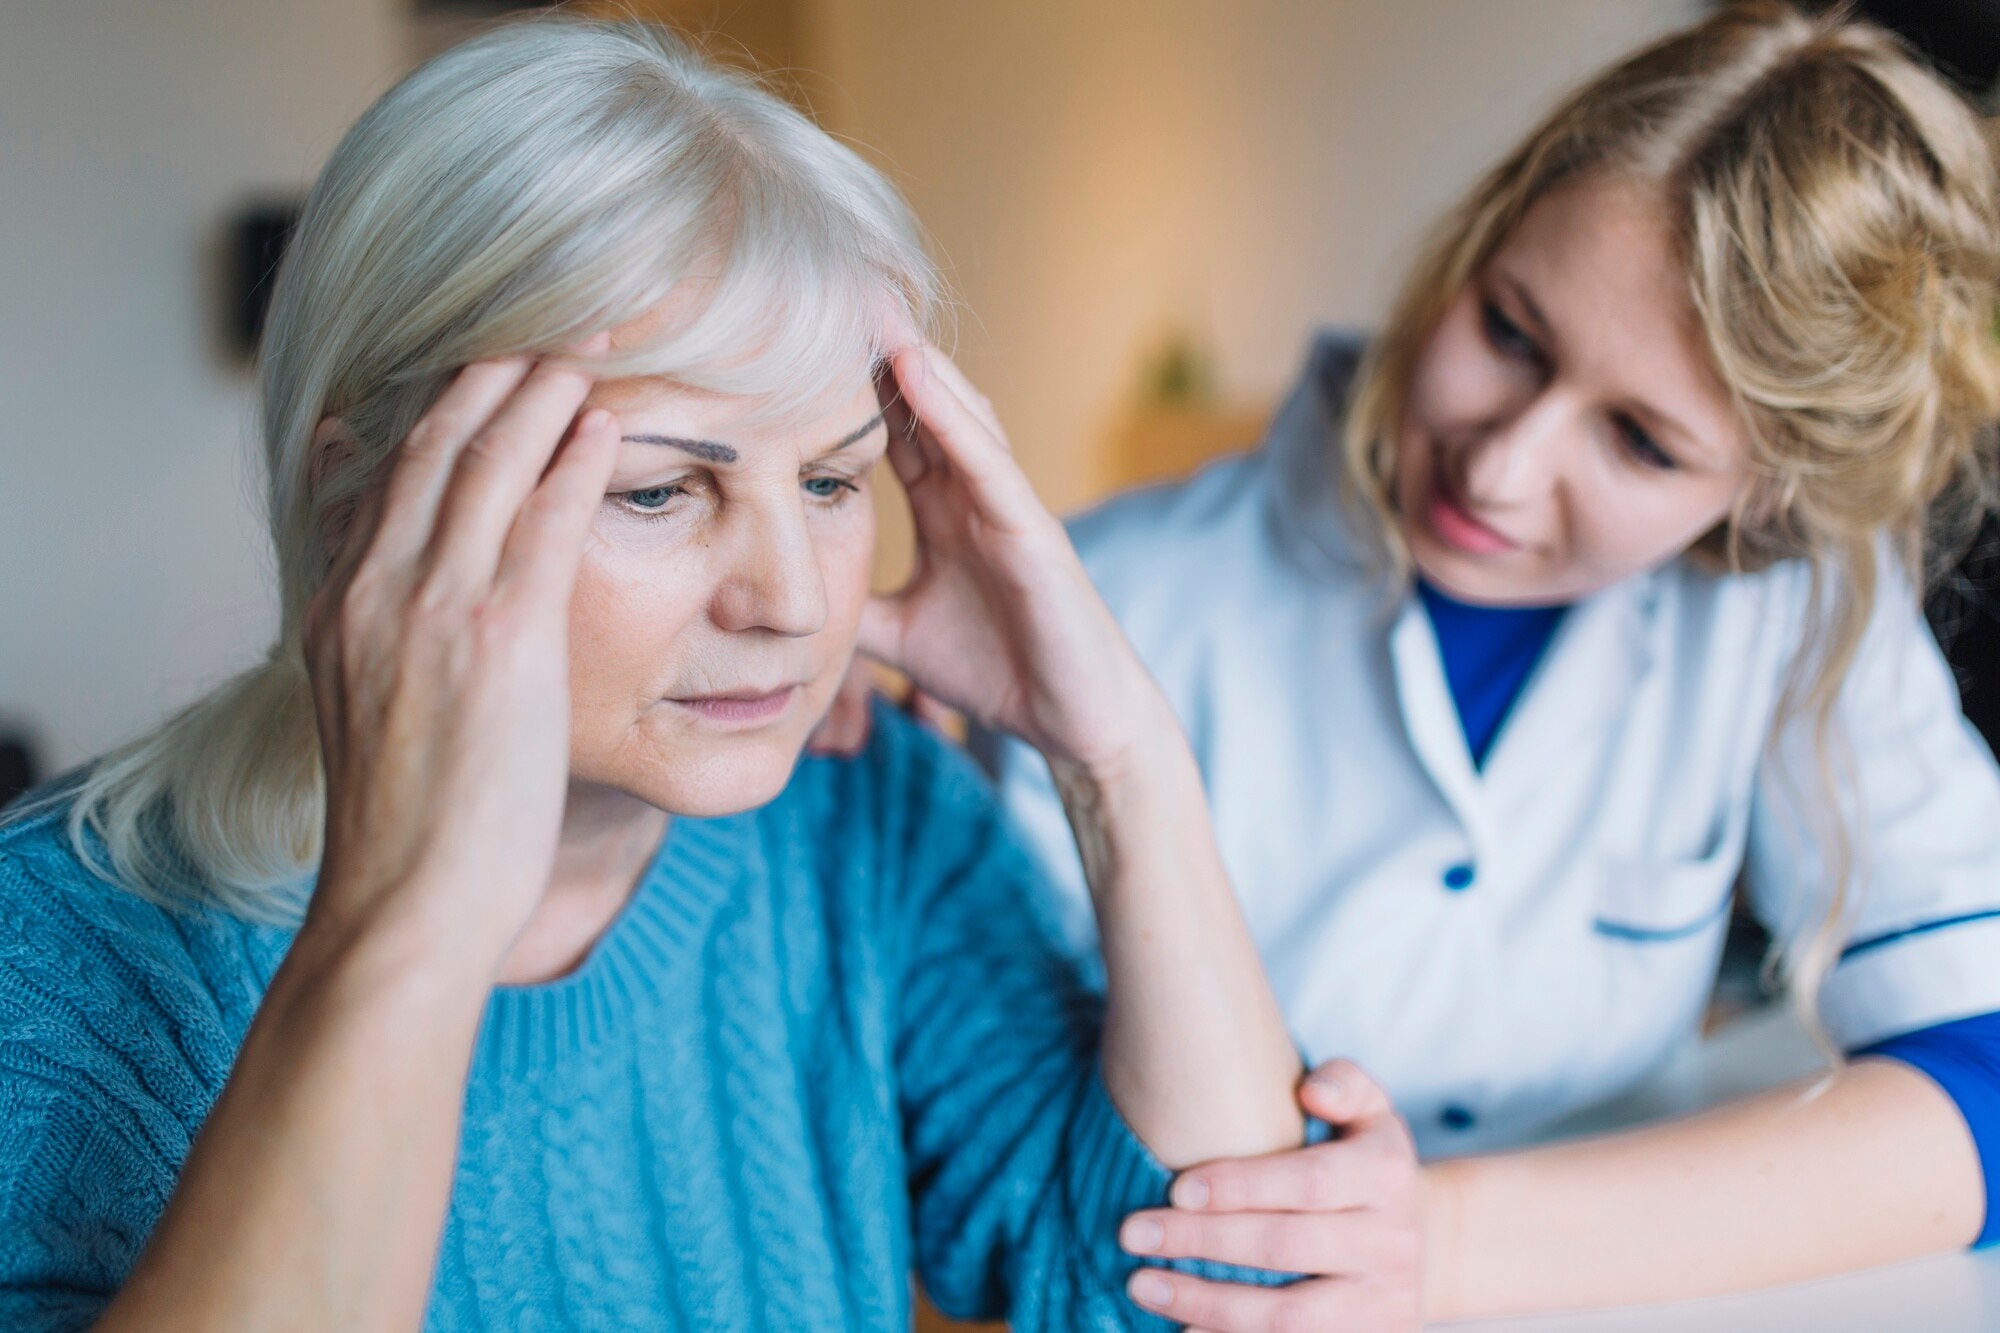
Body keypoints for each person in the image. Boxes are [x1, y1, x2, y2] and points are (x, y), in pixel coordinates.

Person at [0, 18, 1310, 1330]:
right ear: (357, 501)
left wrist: (1120, 758)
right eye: (661, 489)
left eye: (833, 479)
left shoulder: (863, 822)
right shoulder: (50, 954)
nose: (792, 602)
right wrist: (415, 913)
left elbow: (1217, 1293)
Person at [954, 3, 2000, 1325]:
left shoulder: (1786, 602)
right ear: (1480, 237)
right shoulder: (1106, 603)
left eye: (1640, 442)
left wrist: (1439, 1242)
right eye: (1512, 331)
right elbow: (1021, 1166)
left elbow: (1983, 1074)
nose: (1499, 470)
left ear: (1762, 500)